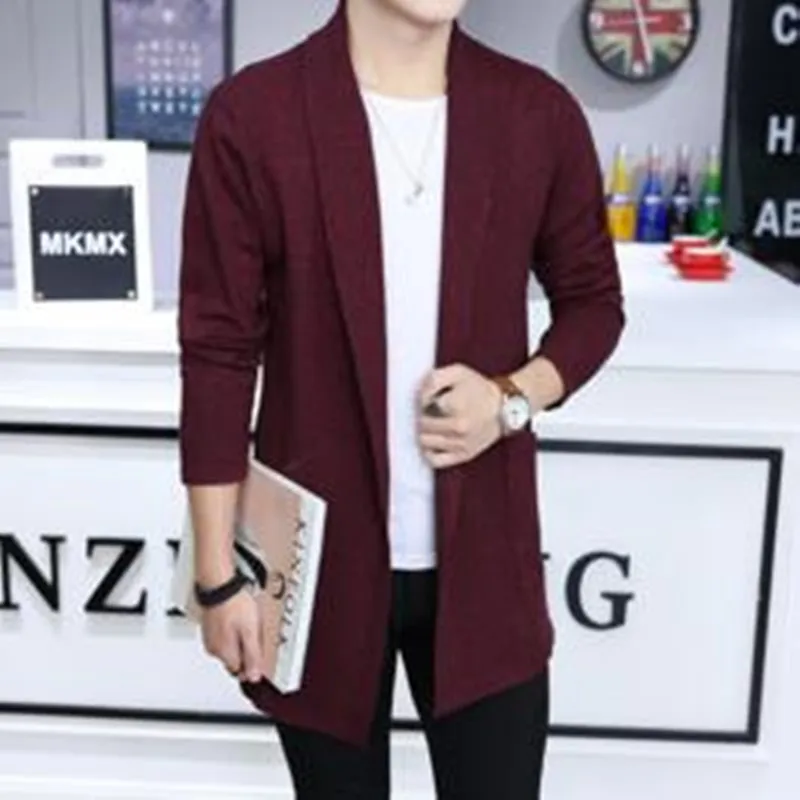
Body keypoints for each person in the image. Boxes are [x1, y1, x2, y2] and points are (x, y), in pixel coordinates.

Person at [177, 0, 624, 796]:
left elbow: (593, 303)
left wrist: (511, 399)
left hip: (487, 563)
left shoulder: (534, 112)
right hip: (316, 571)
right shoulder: (254, 115)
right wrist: (217, 575)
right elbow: (218, 353)